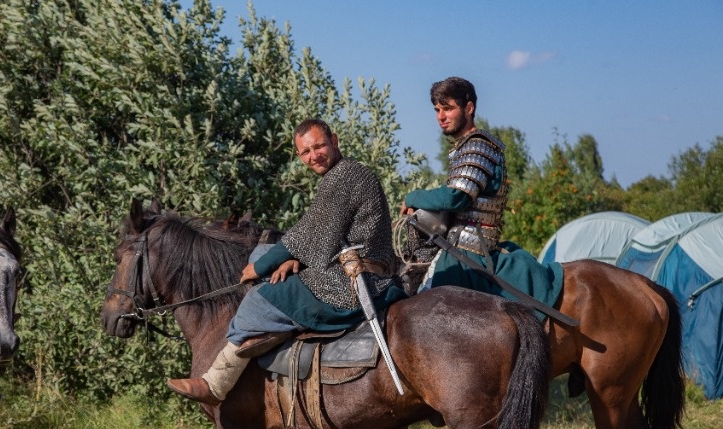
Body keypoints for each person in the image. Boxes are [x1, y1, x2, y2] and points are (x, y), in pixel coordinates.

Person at [166, 118, 403, 406]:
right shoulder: (341, 175)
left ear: (335, 141)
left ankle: (215, 383)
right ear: (299, 155)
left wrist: (264, 268)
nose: (313, 155)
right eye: (305, 152)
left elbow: (311, 233)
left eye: (319, 146)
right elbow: (323, 233)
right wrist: (291, 259)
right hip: (340, 262)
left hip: (353, 280)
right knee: (261, 251)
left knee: (260, 297)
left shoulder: (345, 177)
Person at [400, 77, 562, 306]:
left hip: (471, 249)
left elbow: (457, 197)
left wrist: (413, 196)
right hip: (459, 246)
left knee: (425, 307)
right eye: (437, 110)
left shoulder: (478, 145)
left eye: (448, 109)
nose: (440, 117)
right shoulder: (464, 147)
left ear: (469, 107)